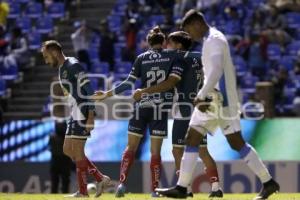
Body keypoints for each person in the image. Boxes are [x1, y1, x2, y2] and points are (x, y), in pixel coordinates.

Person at [155, 10, 280, 200]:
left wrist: (203, 94)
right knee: (231, 141)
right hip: (220, 99)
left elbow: (216, 70)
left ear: (197, 23)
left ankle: (182, 188)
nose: (190, 35)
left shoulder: (214, 39)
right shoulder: (212, 39)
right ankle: (268, 182)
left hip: (216, 99)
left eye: (189, 29)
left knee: (197, 138)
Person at [93, 26, 182, 197]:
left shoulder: (141, 58)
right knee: (155, 152)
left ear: (148, 43)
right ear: (163, 42)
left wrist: (107, 94)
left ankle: (122, 184)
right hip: (160, 108)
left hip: (141, 106)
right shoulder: (171, 56)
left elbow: (128, 83)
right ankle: (155, 190)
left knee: (130, 147)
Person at [133, 31, 223, 198]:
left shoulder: (179, 58)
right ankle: (216, 188)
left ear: (178, 45)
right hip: (201, 108)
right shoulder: (200, 56)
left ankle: (185, 188)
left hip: (184, 110)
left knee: (176, 150)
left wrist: (144, 91)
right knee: (203, 151)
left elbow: (171, 82)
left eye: (170, 43)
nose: (167, 46)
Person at [41, 40, 111, 197]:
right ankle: (100, 178)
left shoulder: (72, 65)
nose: (46, 61)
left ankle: (83, 192)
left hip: (83, 110)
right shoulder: (62, 69)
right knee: (67, 149)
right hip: (74, 112)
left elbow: (88, 89)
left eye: (46, 57)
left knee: (78, 151)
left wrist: (91, 115)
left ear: (54, 52)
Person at [49, 120, 73, 194]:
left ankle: (60, 195)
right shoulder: (53, 137)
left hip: (62, 162)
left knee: (62, 182)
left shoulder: (68, 137)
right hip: (59, 162)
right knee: (57, 182)